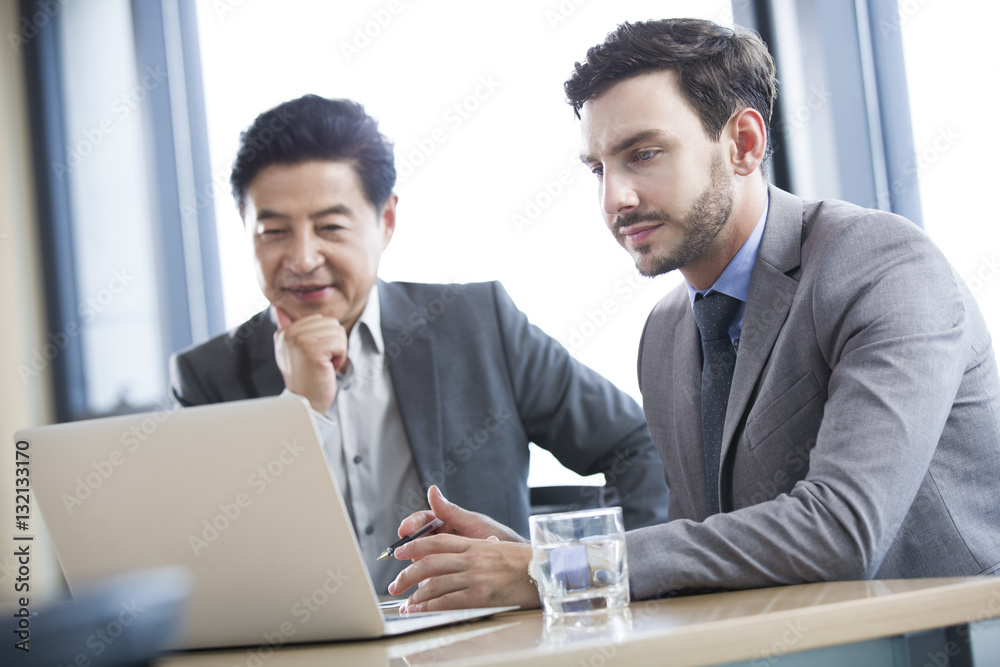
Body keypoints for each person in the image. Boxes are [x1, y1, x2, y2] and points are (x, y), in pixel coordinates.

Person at [386, 18, 1000, 611]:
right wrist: (520, 562)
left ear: (744, 143)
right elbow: (707, 557)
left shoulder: (881, 264)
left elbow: (841, 532)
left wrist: (556, 569)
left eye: (644, 154)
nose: (614, 199)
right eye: (598, 169)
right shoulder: (667, 332)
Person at [168, 94, 671, 593]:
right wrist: (300, 409)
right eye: (274, 230)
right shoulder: (206, 378)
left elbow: (638, 446)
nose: (302, 258)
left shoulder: (477, 325)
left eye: (330, 227)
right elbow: (197, 557)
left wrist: (600, 579)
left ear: (385, 221)